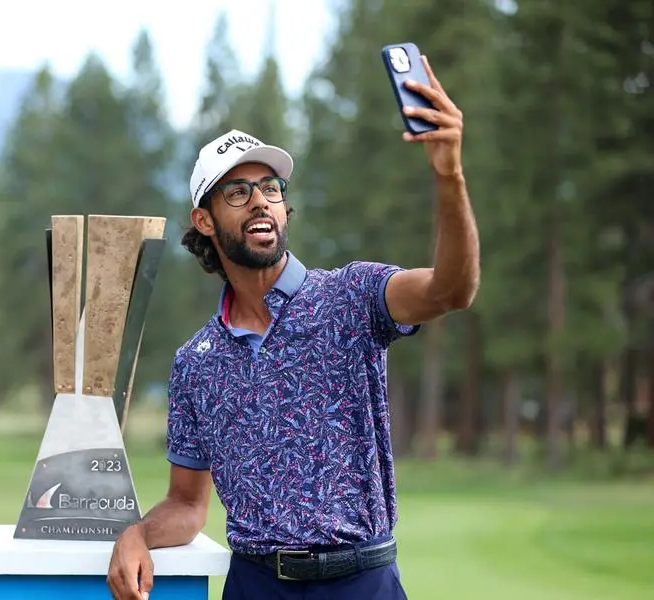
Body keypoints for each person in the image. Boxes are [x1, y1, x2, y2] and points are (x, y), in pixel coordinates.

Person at [106, 55, 479, 600]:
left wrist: (449, 174)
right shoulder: (196, 362)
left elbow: (452, 290)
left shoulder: (351, 297)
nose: (260, 199)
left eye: (271, 187)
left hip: (362, 582)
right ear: (204, 221)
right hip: (256, 584)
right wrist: (134, 535)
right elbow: (187, 506)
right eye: (237, 192)